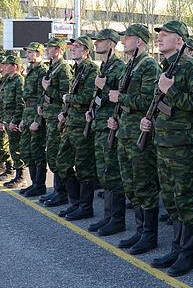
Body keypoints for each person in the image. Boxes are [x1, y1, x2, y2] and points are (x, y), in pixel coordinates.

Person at [146, 20, 193, 276]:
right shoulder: (165, 66)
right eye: (159, 34)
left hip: (184, 145)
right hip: (164, 143)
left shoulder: (192, 67)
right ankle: (176, 247)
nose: (160, 38)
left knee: (185, 200)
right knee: (171, 200)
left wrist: (171, 92)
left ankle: (188, 253)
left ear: (180, 41)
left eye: (166, 34)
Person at [108, 24, 162, 250]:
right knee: (130, 184)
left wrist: (121, 97)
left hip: (140, 133)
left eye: (127, 37)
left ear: (139, 41)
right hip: (126, 131)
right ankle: (140, 230)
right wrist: (116, 117)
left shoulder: (149, 65)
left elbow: (150, 100)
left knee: (144, 184)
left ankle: (149, 234)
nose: (123, 41)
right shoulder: (132, 64)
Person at [85, 28, 128, 236]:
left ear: (111, 44)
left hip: (111, 125)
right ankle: (108, 217)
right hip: (100, 124)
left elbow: (120, 96)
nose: (96, 44)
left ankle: (117, 219)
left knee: (112, 172)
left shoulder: (119, 66)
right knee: (104, 172)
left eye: (100, 41)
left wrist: (105, 86)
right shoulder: (105, 65)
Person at [55, 36, 99, 221]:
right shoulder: (77, 69)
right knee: (62, 163)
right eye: (73, 46)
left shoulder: (91, 69)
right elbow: (74, 95)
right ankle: (75, 203)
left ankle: (85, 206)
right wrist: (64, 111)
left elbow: (88, 97)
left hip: (82, 124)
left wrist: (67, 99)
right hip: (71, 123)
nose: (73, 48)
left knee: (83, 167)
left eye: (78, 46)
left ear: (86, 51)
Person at [39, 38, 74, 208]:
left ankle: (62, 193)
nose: (47, 49)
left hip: (57, 118)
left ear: (59, 50)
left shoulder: (64, 68)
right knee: (51, 154)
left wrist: (48, 89)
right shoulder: (53, 67)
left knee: (57, 155)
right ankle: (58, 190)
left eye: (50, 47)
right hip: (49, 115)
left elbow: (65, 95)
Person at [19, 43, 49, 197]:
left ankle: (40, 184)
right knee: (27, 150)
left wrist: (37, 120)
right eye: (28, 52)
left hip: (36, 114)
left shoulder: (42, 71)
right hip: (28, 111)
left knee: (37, 150)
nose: (28, 55)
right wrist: (24, 119)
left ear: (39, 54)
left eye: (31, 52)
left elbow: (42, 98)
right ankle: (33, 183)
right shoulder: (31, 70)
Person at [0, 54, 26, 189]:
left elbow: (20, 103)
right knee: (12, 148)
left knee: (17, 149)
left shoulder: (18, 80)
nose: (4, 67)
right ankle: (16, 174)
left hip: (14, 119)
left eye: (7, 65)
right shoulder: (8, 80)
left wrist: (15, 121)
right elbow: (3, 102)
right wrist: (2, 120)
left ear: (14, 66)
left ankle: (21, 177)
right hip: (8, 119)